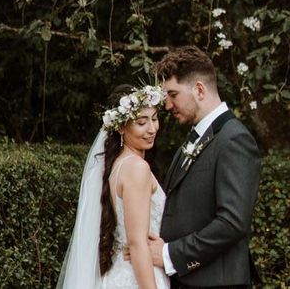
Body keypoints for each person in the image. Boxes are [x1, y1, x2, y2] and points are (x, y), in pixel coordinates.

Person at [148, 45, 261, 288]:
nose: (167, 105)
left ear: (199, 89)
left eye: (173, 94)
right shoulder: (194, 138)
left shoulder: (234, 140)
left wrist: (170, 255)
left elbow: (232, 223)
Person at [57, 84, 171, 289]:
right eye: (141, 122)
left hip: (120, 272)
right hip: (139, 276)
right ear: (120, 127)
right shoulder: (137, 168)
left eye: (154, 119)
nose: (152, 129)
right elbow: (137, 245)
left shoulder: (117, 165)